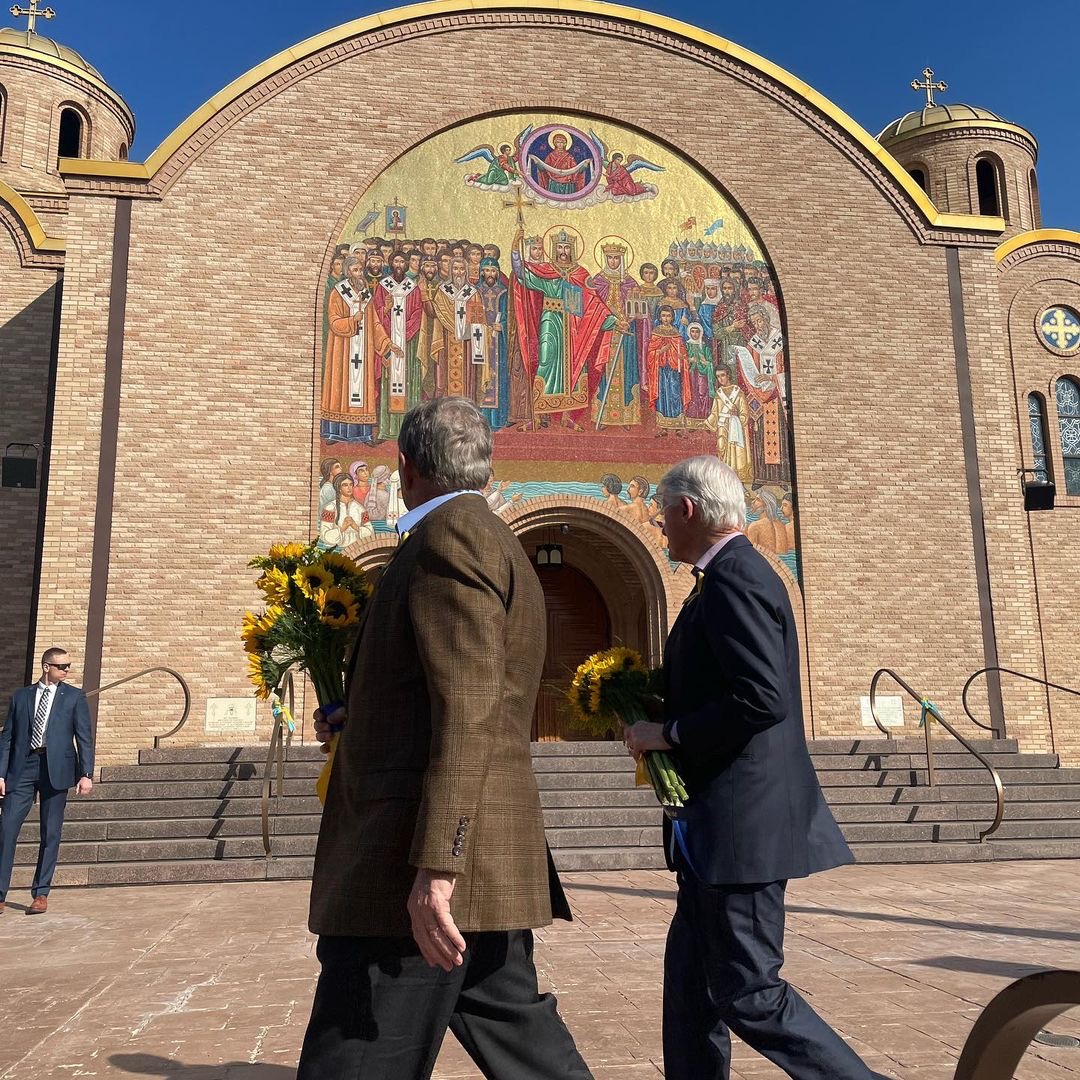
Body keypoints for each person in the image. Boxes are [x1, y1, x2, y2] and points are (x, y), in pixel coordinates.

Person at [299, 397, 591, 1080]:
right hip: (483, 860)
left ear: (405, 468)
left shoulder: (445, 541)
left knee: (355, 1059)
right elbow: (455, 692)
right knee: (526, 1048)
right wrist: (362, 715)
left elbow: (469, 707)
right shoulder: (496, 540)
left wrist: (438, 868)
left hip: (417, 874)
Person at [624, 456, 887, 1080]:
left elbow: (761, 697)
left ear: (688, 510)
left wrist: (669, 732)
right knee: (690, 992)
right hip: (714, 832)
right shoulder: (722, 579)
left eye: (663, 516)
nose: (660, 529)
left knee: (749, 994)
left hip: (740, 831)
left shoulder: (736, 577)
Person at [0, 648, 94, 915]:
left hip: (57, 769)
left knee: (50, 832)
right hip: (23, 767)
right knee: (6, 830)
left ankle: (40, 893)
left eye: (68, 666)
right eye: (61, 666)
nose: (66, 670)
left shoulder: (74, 697)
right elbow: (7, 738)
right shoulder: (21, 696)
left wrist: (86, 774)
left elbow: (84, 737)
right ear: (46, 667)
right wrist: (1, 773)